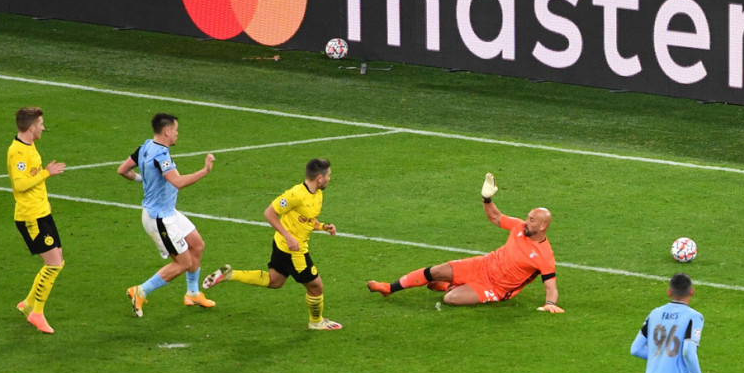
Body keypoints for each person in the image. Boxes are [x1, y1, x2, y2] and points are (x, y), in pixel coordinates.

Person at [367, 173, 563, 311]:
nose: (526, 222)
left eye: (532, 220)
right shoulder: (519, 227)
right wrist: (487, 199)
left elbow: (551, 288)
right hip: (482, 265)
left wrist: (550, 305)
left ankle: (448, 287)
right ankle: (389, 288)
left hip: (496, 288)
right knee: (435, 271)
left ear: (543, 227)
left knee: (450, 299)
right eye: (528, 217)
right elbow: (496, 217)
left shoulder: (544, 256)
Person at [201, 159, 342, 331]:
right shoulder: (295, 194)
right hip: (294, 251)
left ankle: (230, 274)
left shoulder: (317, 194)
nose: (329, 178)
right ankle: (316, 321)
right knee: (316, 286)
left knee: (275, 281)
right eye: (328, 175)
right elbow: (269, 213)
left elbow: (307, 219)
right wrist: (289, 237)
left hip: (282, 245)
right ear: (319, 178)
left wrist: (323, 227)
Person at [119, 113, 216, 317]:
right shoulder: (161, 155)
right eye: (176, 130)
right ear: (167, 131)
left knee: (197, 244)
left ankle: (193, 293)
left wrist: (144, 180)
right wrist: (204, 171)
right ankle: (140, 291)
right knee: (183, 263)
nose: (177, 134)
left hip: (168, 212)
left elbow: (123, 170)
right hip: (160, 219)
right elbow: (178, 182)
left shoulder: (145, 146)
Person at [7, 107, 66, 334]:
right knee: (53, 264)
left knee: (58, 260)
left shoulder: (30, 145)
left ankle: (28, 304)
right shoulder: (18, 152)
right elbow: (20, 184)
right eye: (40, 124)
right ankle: (36, 313)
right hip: (31, 217)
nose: (43, 127)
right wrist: (46, 173)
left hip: (42, 212)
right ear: (31, 127)